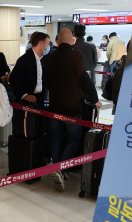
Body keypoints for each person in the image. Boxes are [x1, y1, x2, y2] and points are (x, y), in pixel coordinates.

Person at [44, 28, 101, 191]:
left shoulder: (50, 58)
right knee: (73, 139)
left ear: (58, 41)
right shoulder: (77, 56)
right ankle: (62, 169)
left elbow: (46, 82)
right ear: (72, 40)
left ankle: (57, 167)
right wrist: (95, 99)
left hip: (54, 106)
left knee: (55, 137)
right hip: (72, 107)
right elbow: (84, 79)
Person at [10, 31, 50, 108]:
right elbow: (13, 79)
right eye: (47, 43)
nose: (49, 46)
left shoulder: (44, 60)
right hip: (28, 101)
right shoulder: (24, 59)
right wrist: (24, 95)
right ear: (40, 43)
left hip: (40, 98)